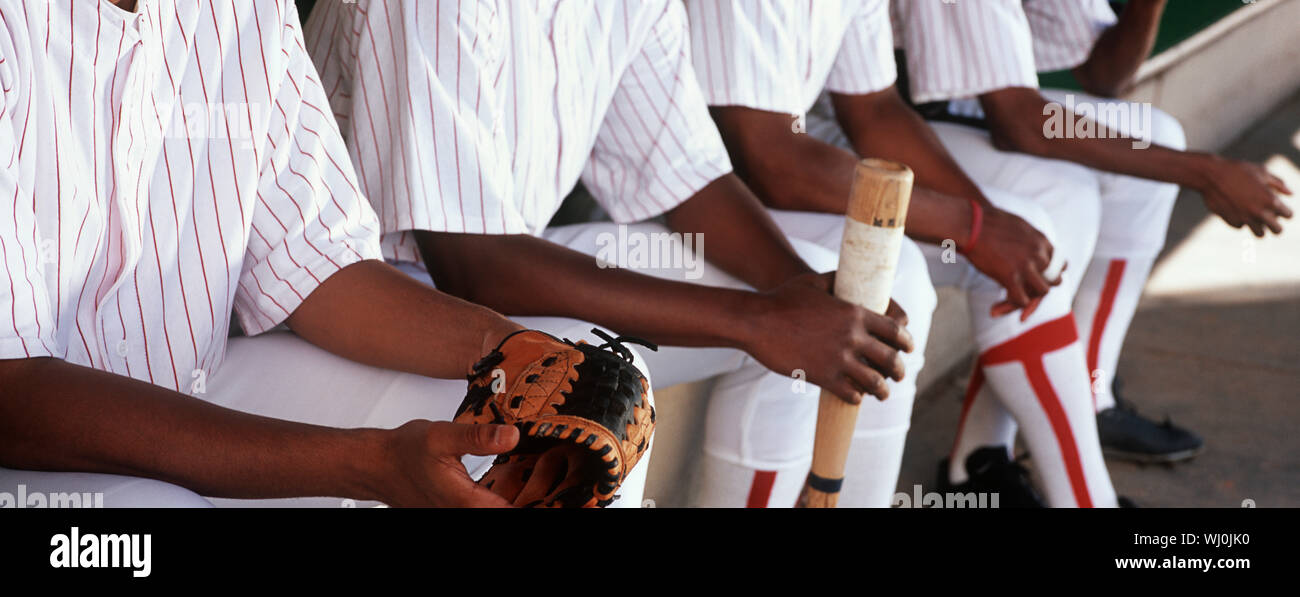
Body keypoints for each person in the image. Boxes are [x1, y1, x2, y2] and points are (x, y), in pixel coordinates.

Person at [0, 0, 628, 509]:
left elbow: (320, 267)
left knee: (571, 386)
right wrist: (367, 465)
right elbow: (12, 394)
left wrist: (514, 352)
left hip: (194, 386)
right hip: (28, 450)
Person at [304, 0, 925, 508]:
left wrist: (802, 297)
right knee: (603, 394)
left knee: (834, 317)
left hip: (508, 267)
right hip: (363, 302)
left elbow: (684, 175)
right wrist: (757, 319)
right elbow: (472, 263)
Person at [687, 0, 1122, 507]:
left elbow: (874, 109)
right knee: (884, 287)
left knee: (1031, 229)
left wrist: (985, 223)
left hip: (757, 190)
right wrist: (971, 226)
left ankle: (1075, 496)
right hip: (707, 209)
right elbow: (771, 158)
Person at [894, 0, 1291, 466]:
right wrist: (1204, 173)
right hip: (894, 125)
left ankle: (1089, 389)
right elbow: (1019, 123)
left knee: (1158, 135)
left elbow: (1103, 78)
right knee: (1067, 194)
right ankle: (982, 456)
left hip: (968, 109)